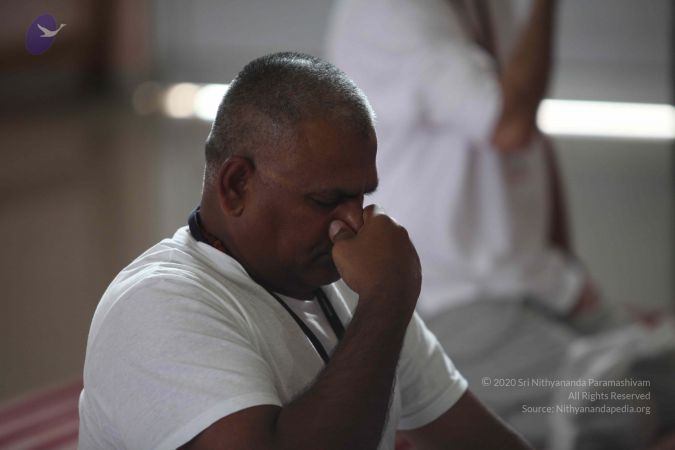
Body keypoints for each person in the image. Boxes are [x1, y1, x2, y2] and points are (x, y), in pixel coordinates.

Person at [78, 52, 532, 449]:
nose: (353, 222)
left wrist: (382, 302)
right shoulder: (155, 305)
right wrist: (388, 299)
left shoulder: (351, 285)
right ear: (236, 185)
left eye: (362, 197)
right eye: (326, 200)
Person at [325, 0, 641, 446]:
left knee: (657, 382)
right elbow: (509, 122)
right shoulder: (389, 10)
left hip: (534, 281)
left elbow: (521, 149)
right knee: (630, 408)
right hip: (453, 298)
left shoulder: (491, 9)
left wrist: (564, 270)